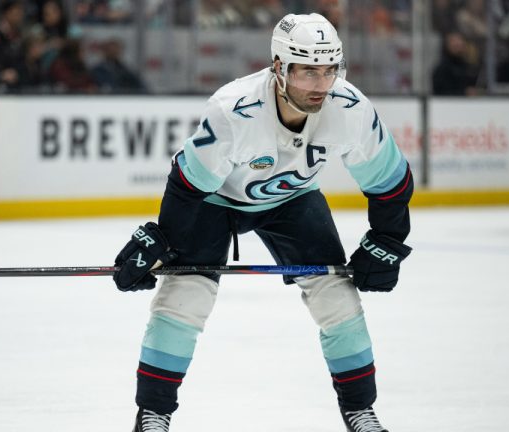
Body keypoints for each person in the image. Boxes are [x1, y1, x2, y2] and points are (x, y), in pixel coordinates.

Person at [112, 13, 413, 432]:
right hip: (213, 201)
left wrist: (388, 239)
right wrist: (163, 241)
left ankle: (360, 410)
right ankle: (153, 414)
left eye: (330, 70)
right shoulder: (234, 111)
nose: (321, 84)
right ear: (279, 67)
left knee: (336, 296)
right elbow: (186, 186)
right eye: (308, 70)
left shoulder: (351, 108)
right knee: (185, 295)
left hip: (293, 199)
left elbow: (390, 182)